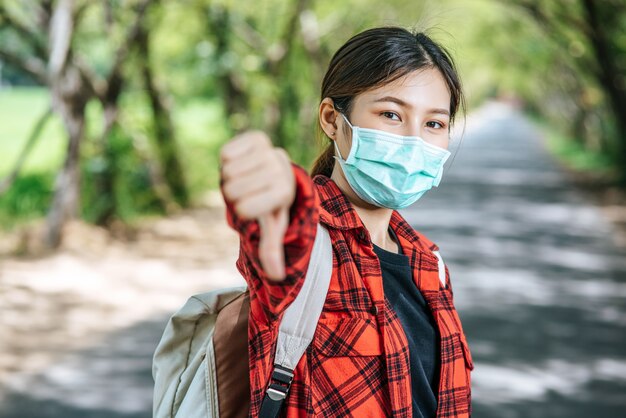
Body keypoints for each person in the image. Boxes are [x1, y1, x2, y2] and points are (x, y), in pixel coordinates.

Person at [219, 26, 473, 418]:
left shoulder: (430, 264)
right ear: (332, 120)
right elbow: (280, 239)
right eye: (391, 114)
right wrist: (277, 193)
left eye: (434, 124)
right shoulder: (307, 247)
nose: (412, 140)